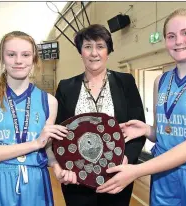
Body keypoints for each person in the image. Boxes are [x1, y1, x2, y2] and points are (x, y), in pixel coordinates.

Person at [96, 8, 186, 206]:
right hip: (162, 174)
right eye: (171, 36)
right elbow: (166, 132)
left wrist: (137, 171)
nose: (178, 41)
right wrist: (147, 130)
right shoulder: (161, 81)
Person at [53, 24, 146, 206]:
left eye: (100, 46)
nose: (94, 53)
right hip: (77, 179)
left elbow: (137, 127)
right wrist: (64, 166)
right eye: (88, 47)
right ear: (80, 52)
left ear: (108, 51)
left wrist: (126, 159)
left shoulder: (125, 82)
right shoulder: (66, 87)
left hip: (117, 175)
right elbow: (59, 133)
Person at [0, 31, 76, 206]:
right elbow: (39, 144)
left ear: (34, 59)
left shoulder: (49, 102)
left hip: (37, 183)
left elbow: (48, 148)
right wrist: (35, 144)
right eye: (11, 54)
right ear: (2, 58)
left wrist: (58, 169)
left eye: (26, 54)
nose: (18, 61)